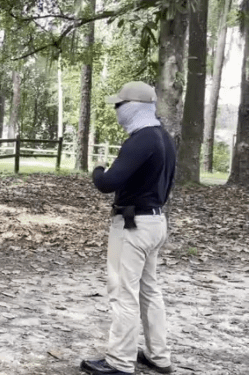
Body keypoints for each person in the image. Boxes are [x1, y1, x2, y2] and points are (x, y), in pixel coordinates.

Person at [80, 81, 176, 375]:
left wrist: (98, 168)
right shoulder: (163, 137)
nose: (116, 110)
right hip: (156, 221)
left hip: (133, 225)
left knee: (123, 292)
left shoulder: (141, 139)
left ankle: (119, 362)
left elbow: (107, 183)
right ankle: (159, 356)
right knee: (149, 290)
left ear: (133, 107)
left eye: (119, 105)